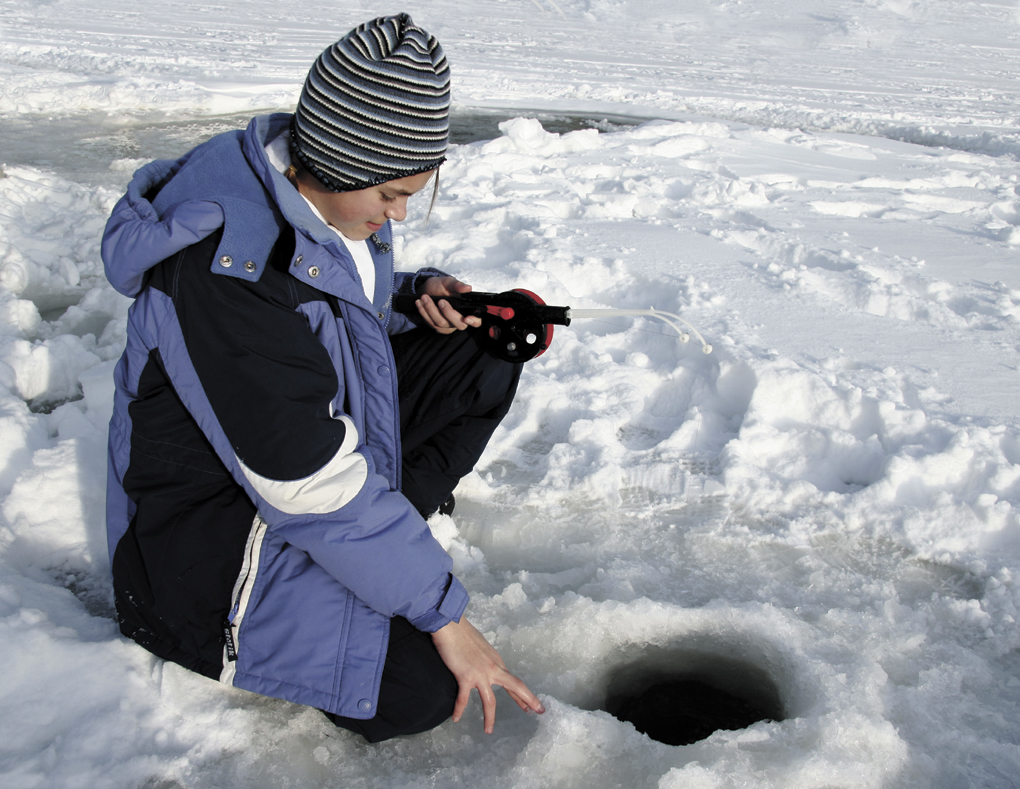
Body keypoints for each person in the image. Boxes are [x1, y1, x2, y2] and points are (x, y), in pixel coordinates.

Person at [101, 13, 545, 743]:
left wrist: (418, 296)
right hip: (201, 550)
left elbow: (330, 294)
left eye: (413, 193)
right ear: (342, 158)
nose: (400, 212)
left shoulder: (305, 195)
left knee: (487, 347)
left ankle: (377, 544)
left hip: (292, 470)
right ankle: (377, 551)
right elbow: (308, 480)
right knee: (421, 691)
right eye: (393, 194)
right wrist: (443, 611)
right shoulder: (226, 273)